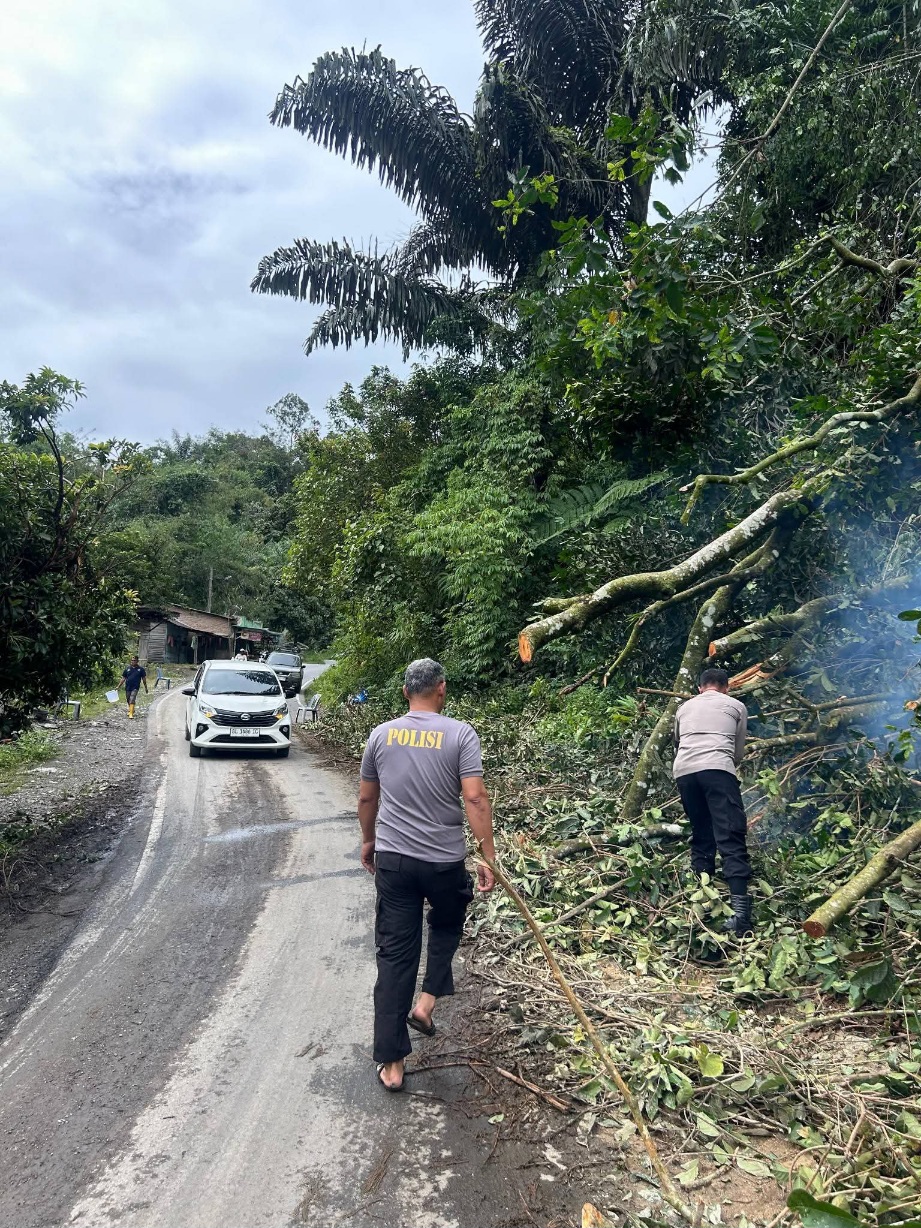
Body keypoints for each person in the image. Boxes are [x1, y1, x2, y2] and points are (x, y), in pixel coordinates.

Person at [358, 658, 496, 1092]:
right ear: (441, 689)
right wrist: (488, 856)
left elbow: (366, 798)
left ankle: (393, 1064)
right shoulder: (460, 734)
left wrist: (368, 841)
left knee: (395, 955)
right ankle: (427, 1002)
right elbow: (474, 799)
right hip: (443, 862)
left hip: (395, 861)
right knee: (448, 922)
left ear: (405, 693)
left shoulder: (381, 734)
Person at [673, 667, 753, 937]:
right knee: (730, 833)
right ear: (726, 687)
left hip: (684, 772)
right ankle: (741, 914)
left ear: (700, 688)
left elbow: (678, 741)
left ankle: (700, 901)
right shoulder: (736, 706)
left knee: (702, 833)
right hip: (717, 768)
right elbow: (737, 751)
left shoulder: (684, 708)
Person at [117, 655, 148, 720]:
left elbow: (144, 679)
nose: (132, 661)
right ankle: (132, 709)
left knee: (132, 698)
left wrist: (146, 687)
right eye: (132, 660)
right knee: (128, 699)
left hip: (135, 687)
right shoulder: (127, 669)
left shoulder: (141, 669)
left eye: (134, 660)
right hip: (128, 686)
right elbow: (123, 678)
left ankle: (131, 713)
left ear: (137, 661)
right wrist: (118, 686)